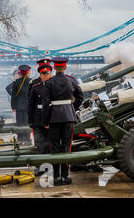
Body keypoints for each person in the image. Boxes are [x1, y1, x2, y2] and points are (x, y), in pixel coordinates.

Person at [43, 57, 83, 186]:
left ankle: (55, 178)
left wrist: (46, 120)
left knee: (54, 147)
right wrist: (72, 108)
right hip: (68, 117)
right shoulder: (71, 80)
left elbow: (45, 103)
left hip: (54, 117)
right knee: (67, 146)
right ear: (65, 67)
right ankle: (65, 177)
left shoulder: (49, 83)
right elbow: (80, 97)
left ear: (54, 67)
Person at [28, 59, 53, 155]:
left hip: (51, 118)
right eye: (44, 74)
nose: (46, 76)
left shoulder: (53, 85)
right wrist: (30, 120)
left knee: (50, 142)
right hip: (38, 117)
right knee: (39, 142)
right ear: (40, 74)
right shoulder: (35, 86)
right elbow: (30, 104)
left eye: (47, 73)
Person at [11, 65, 32, 145]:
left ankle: (20, 139)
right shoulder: (31, 81)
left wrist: (13, 106)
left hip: (19, 107)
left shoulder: (16, 82)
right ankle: (27, 140)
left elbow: (13, 96)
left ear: (20, 73)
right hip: (28, 107)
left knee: (20, 123)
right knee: (27, 123)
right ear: (28, 73)